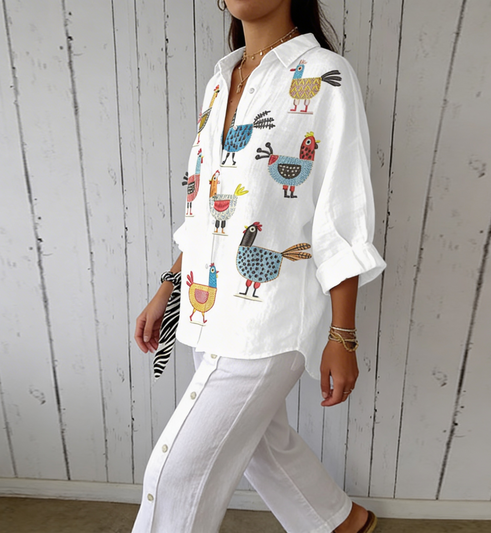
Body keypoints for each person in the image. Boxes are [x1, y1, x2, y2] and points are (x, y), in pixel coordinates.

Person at [132, 0, 386, 531]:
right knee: (263, 444)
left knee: (175, 474)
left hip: (271, 318)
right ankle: (341, 522)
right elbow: (207, 208)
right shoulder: (220, 82)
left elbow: (341, 216)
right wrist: (170, 284)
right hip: (208, 305)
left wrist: (343, 334)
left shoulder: (327, 76)